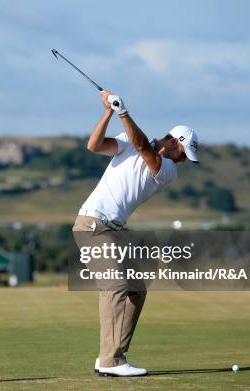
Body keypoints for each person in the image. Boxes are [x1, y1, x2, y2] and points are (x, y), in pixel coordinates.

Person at [72, 90, 199, 377]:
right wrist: (108, 112)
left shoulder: (167, 170)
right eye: (183, 154)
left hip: (113, 230)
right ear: (174, 142)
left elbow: (144, 149)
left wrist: (124, 112)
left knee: (135, 290)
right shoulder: (128, 140)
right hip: (93, 225)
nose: (182, 161)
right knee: (115, 286)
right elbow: (93, 145)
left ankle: (114, 355)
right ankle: (110, 360)